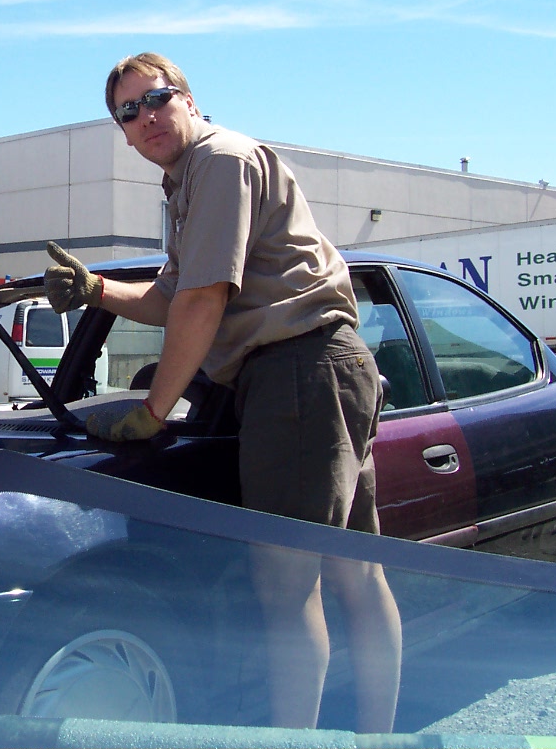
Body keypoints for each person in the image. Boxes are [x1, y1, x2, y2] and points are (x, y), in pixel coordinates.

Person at [44, 52, 402, 733]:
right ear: (121, 133)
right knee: (355, 572)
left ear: (188, 99)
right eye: (127, 111)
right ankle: (378, 738)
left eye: (156, 98)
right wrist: (96, 290)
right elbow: (172, 293)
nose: (144, 116)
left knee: (287, 585)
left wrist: (154, 411)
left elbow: (204, 301)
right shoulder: (189, 183)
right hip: (325, 369)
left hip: (299, 372)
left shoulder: (219, 161)